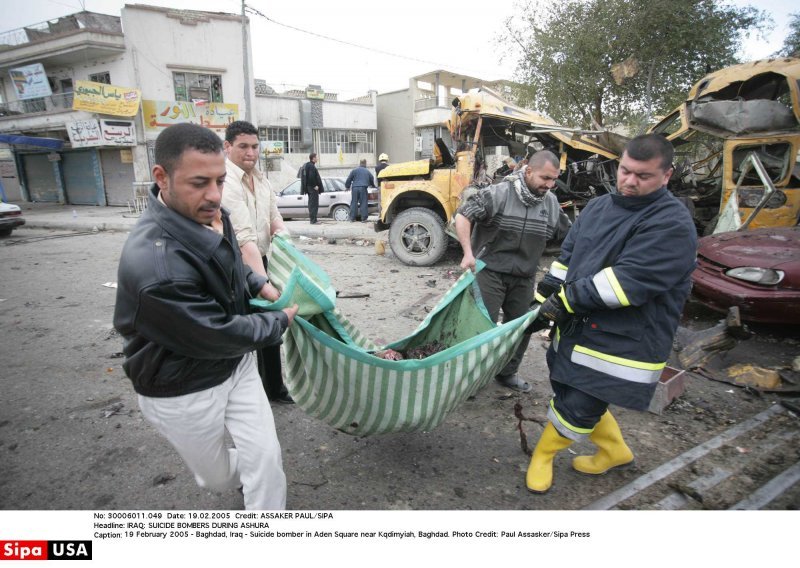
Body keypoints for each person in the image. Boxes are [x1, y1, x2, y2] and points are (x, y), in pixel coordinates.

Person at [113, 123, 299, 510]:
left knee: (265, 458)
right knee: (217, 477)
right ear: (161, 177)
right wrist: (279, 320)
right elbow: (214, 332)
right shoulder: (156, 265)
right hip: (184, 384)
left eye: (218, 180)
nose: (214, 195)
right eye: (199, 183)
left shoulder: (214, 213)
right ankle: (242, 480)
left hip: (237, 366)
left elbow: (230, 266)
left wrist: (257, 284)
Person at [525, 134, 697, 493]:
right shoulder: (600, 207)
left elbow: (627, 282)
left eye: (643, 176)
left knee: (580, 403)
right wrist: (546, 293)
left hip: (623, 341)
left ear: (666, 176)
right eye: (625, 170)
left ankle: (543, 455)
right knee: (568, 384)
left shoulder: (672, 223)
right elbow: (570, 253)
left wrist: (565, 302)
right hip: (580, 327)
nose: (630, 181)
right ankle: (615, 451)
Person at [455, 150, 570, 393]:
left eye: (553, 180)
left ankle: (506, 373)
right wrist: (468, 252)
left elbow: (569, 236)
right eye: (545, 178)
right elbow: (463, 216)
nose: (549, 185)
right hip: (490, 272)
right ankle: (469, 378)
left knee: (521, 327)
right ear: (528, 172)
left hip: (525, 277)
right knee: (481, 328)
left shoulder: (550, 204)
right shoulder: (497, 194)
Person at [221, 120, 293, 404]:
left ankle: (273, 390)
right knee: (239, 332)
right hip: (234, 266)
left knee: (269, 330)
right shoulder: (226, 182)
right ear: (227, 147)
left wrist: (290, 251)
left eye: (254, 146)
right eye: (243, 147)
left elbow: (274, 219)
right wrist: (265, 287)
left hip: (259, 258)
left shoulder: (261, 179)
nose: (250, 152)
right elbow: (244, 241)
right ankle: (237, 397)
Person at [344, 158, 375, 222]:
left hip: (355, 188)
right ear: (365, 163)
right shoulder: (367, 171)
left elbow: (349, 178)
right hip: (363, 188)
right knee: (363, 203)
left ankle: (352, 218)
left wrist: (347, 186)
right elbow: (371, 178)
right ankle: (363, 218)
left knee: (354, 203)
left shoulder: (354, 170)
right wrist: (372, 185)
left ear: (360, 163)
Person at [300, 152, 323, 224]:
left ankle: (314, 220)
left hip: (310, 188)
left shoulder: (309, 165)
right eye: (316, 157)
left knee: (312, 204)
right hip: (312, 189)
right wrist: (314, 186)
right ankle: (313, 220)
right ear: (313, 158)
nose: (317, 159)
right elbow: (311, 177)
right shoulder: (311, 166)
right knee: (313, 204)